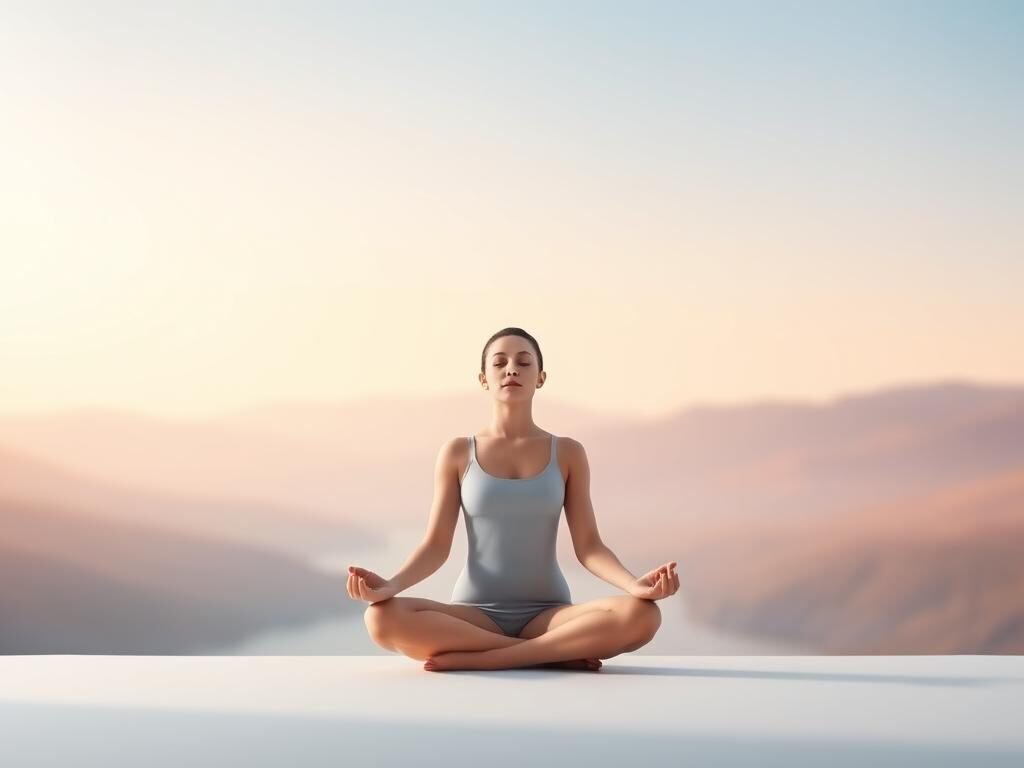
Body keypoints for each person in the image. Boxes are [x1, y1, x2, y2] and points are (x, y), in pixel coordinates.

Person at [347, 326, 678, 672]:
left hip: (550, 615)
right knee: (381, 619)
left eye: (524, 362)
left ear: (541, 377)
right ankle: (552, 654)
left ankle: (491, 659)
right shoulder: (458, 453)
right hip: (474, 617)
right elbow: (435, 546)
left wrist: (634, 585)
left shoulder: (567, 452)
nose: (511, 369)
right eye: (499, 362)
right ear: (483, 378)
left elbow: (589, 546)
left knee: (642, 615)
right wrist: (390, 586)